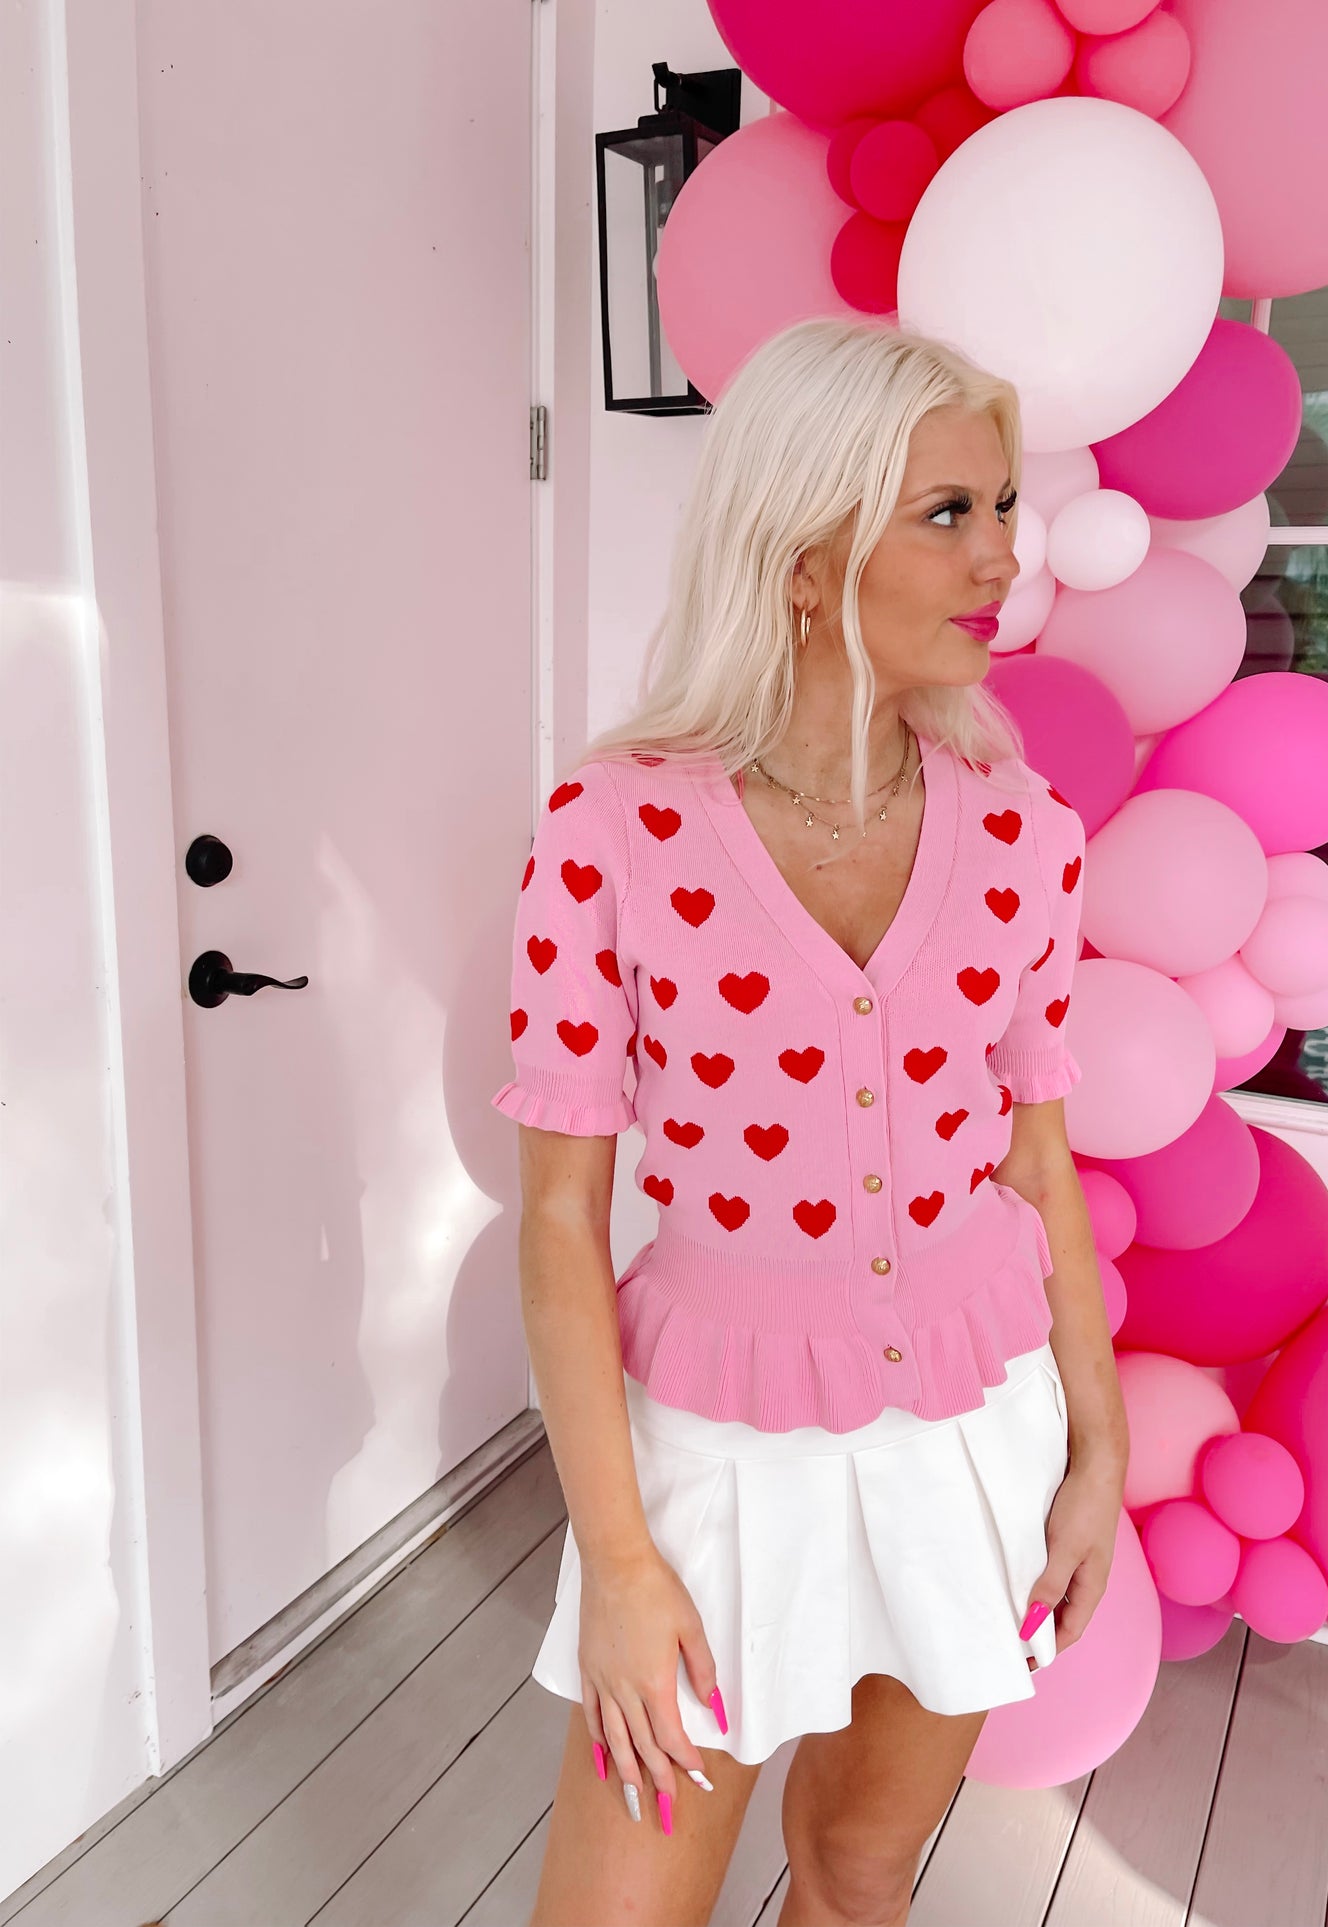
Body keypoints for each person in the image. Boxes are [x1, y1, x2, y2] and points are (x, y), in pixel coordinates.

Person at [491, 315, 1128, 1927]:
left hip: (973, 1439)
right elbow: (562, 1216)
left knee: (853, 1876)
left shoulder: (1025, 836)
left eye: (1001, 505)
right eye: (947, 513)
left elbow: (1035, 1164)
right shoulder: (609, 829)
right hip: (712, 1458)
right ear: (796, 557)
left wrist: (1094, 1443)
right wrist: (620, 1562)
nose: (1002, 554)